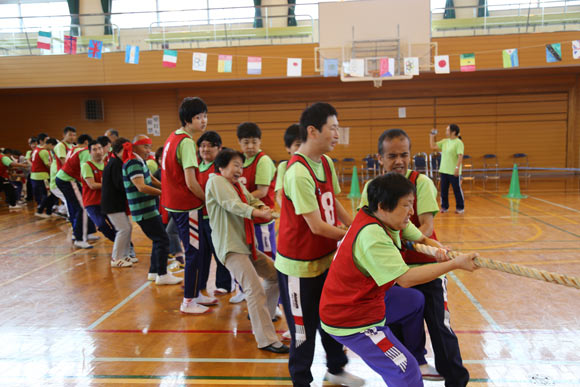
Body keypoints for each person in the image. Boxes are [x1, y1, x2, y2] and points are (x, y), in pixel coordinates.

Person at [320, 173, 479, 387]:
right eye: (407, 205)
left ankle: (411, 358)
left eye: (412, 204)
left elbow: (421, 238)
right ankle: (396, 359)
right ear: (384, 206)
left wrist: (438, 250)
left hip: (364, 298)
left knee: (413, 302)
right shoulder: (372, 236)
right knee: (405, 369)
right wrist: (454, 264)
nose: (412, 212)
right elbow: (405, 278)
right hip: (351, 319)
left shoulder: (388, 219)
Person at [360, 129, 470, 384]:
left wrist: (401, 244)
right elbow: (367, 226)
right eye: (392, 156)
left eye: (404, 155)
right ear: (380, 158)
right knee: (397, 326)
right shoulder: (372, 189)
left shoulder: (422, 183)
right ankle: (410, 375)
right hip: (395, 272)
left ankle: (455, 379)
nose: (399, 161)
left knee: (439, 326)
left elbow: (426, 228)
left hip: (427, 267)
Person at [275, 102, 363, 387]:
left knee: (332, 319)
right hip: (298, 269)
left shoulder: (325, 162)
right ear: (313, 131)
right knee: (303, 333)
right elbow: (316, 226)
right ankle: (301, 382)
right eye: (333, 128)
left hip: (325, 260)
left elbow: (333, 202)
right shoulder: (297, 172)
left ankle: (336, 370)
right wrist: (354, 237)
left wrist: (356, 226)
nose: (338, 133)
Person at [205, 148, 288, 354]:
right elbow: (233, 205)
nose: (239, 170)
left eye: (241, 166)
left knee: (275, 275)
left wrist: (263, 207)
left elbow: (250, 200)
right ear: (222, 166)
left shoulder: (236, 186)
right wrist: (258, 212)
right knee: (254, 289)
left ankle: (262, 315)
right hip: (231, 247)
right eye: (235, 165)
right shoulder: (215, 182)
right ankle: (266, 339)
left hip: (246, 246)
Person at [161, 97, 215, 313]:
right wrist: (207, 200)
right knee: (193, 252)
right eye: (198, 117)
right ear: (187, 119)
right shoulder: (186, 142)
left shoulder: (172, 137)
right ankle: (188, 300)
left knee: (198, 250)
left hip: (174, 204)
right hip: (186, 206)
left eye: (204, 116)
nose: (203, 121)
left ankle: (197, 292)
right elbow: (191, 182)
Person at [122, 135, 182, 285]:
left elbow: (151, 179)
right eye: (145, 146)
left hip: (148, 209)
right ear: (135, 147)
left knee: (158, 239)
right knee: (163, 239)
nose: (149, 150)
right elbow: (141, 186)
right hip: (143, 210)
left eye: (149, 146)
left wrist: (166, 188)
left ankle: (154, 271)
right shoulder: (133, 162)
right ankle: (162, 274)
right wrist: (164, 193)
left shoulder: (140, 161)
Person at [196, 131, 232, 295]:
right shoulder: (196, 166)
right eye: (202, 146)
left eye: (210, 146)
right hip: (198, 216)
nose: (205, 149)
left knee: (219, 252)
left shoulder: (219, 168)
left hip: (215, 218)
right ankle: (199, 282)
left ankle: (223, 284)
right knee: (201, 253)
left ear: (219, 148)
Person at [81, 140, 122, 265]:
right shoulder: (86, 165)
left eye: (99, 148)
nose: (98, 151)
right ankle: (120, 244)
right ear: (90, 152)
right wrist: (110, 184)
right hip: (92, 203)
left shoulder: (107, 164)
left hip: (107, 201)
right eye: (94, 149)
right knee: (102, 225)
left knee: (118, 226)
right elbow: (92, 185)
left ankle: (125, 247)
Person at [55, 134, 97, 249]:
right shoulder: (84, 152)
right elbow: (84, 170)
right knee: (82, 208)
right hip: (67, 180)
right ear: (87, 143)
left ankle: (86, 232)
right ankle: (80, 238)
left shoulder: (74, 148)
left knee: (78, 206)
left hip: (65, 179)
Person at [102, 138, 137, 268]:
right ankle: (116, 257)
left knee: (127, 228)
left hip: (116, 203)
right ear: (118, 151)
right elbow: (120, 184)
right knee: (123, 229)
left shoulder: (116, 162)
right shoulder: (115, 164)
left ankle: (124, 255)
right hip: (112, 204)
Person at [429, 124, 465, 214]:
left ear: (453, 132)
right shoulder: (445, 141)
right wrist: (431, 136)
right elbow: (433, 146)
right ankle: (444, 207)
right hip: (444, 170)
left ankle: (460, 207)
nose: (446, 132)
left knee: (457, 189)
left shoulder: (458, 142)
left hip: (453, 171)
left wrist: (457, 168)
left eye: (447, 130)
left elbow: (460, 156)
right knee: (443, 190)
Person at [275, 123, 301, 208]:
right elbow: (279, 196)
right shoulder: (284, 167)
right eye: (298, 144)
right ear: (288, 148)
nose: (302, 148)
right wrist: (290, 214)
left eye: (305, 144)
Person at [30, 137, 57, 217]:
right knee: (49, 194)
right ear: (49, 144)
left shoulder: (36, 149)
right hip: (42, 176)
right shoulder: (44, 151)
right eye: (53, 146)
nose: (53, 149)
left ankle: (48, 211)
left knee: (49, 194)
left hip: (35, 176)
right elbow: (48, 164)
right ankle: (41, 211)